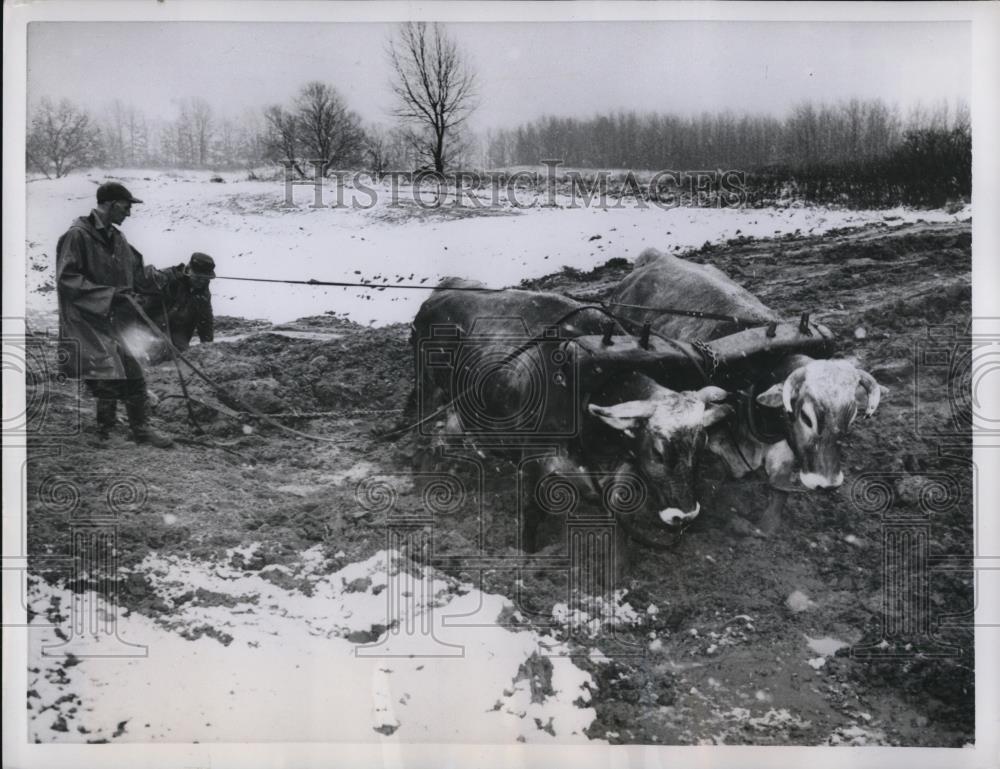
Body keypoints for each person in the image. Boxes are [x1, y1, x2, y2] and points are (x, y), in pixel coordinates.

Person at [56, 181, 174, 448]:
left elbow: (137, 272)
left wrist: (167, 276)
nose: (129, 213)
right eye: (126, 206)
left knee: (134, 370)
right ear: (109, 204)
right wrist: (111, 295)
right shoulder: (77, 236)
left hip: (118, 319)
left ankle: (141, 430)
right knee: (106, 374)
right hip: (90, 320)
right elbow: (68, 280)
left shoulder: (118, 238)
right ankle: (105, 432)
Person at [145, 252, 216, 363]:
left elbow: (206, 321)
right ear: (188, 270)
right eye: (199, 278)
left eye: (205, 279)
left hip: (179, 333)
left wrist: (208, 348)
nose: (202, 282)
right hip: (152, 329)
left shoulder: (203, 294)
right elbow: (142, 302)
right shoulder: (166, 278)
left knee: (184, 360)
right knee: (151, 359)